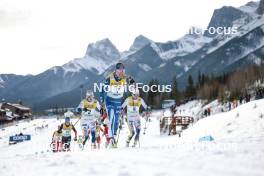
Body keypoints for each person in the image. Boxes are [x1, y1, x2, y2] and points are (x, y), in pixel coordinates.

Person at [100, 62, 135, 147]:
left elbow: (133, 90)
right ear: (116, 70)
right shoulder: (109, 78)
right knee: (111, 118)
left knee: (116, 121)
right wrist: (102, 102)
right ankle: (111, 138)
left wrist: (132, 83)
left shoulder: (125, 78)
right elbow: (102, 90)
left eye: (123, 70)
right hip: (110, 101)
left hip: (118, 101)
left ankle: (113, 136)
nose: (121, 72)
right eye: (119, 70)